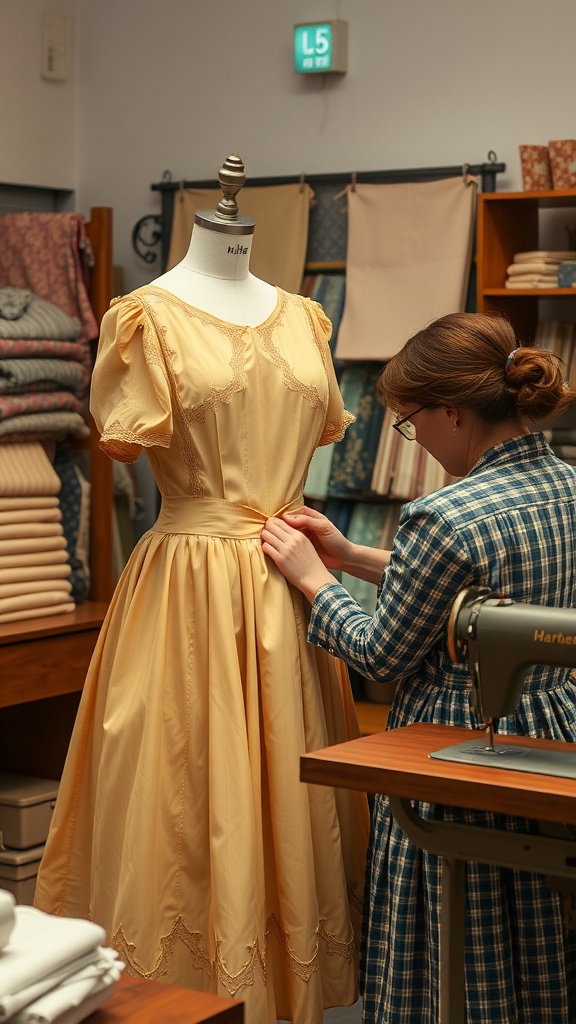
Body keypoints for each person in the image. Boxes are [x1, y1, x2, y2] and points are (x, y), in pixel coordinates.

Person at [34, 157, 369, 1024]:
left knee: (285, 796)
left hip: (291, 583)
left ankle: (280, 983)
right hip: (186, 587)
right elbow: (129, 439)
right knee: (180, 796)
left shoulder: (304, 319)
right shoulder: (143, 319)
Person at [261, 310, 576, 1024]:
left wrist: (315, 581)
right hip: (552, 731)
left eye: (409, 422)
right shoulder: (566, 484)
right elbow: (476, 594)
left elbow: (382, 651)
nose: (415, 439)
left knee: (452, 929)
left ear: (453, 415)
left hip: (459, 744)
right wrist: (351, 555)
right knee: (532, 916)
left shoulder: (446, 514)